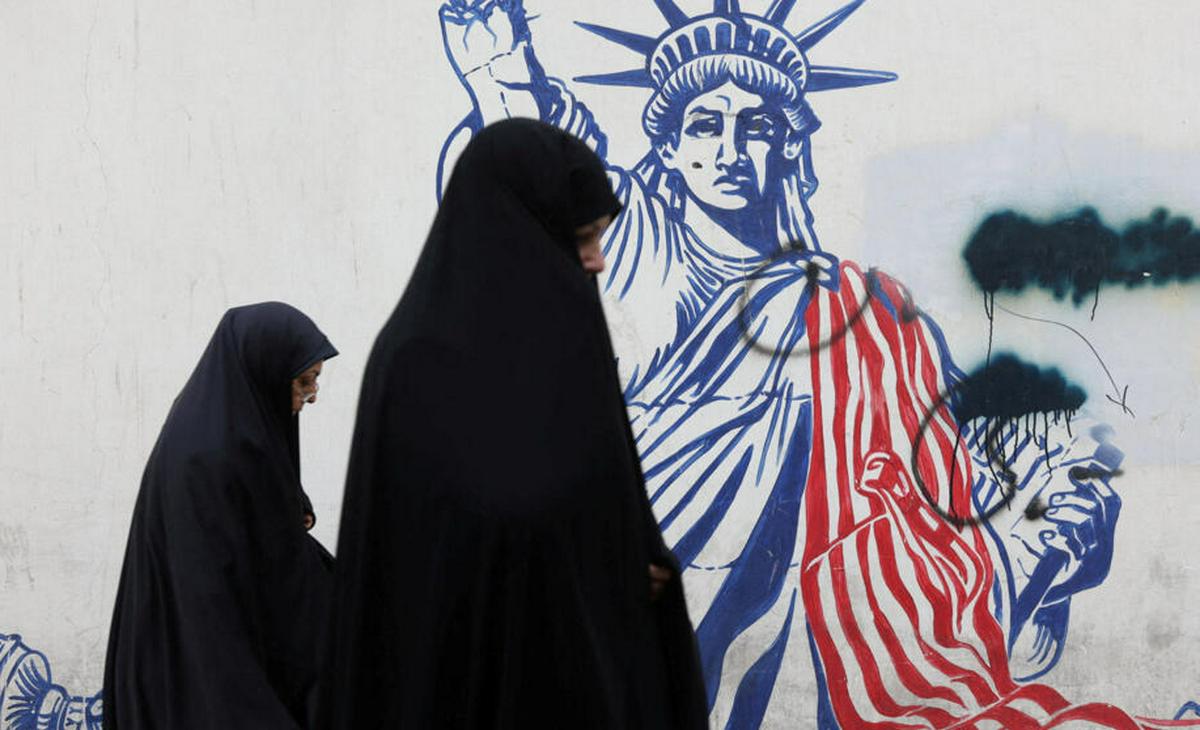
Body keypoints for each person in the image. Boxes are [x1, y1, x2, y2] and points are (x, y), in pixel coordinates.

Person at [320, 118, 708, 729]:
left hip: (577, 680)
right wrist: (590, 557)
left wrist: (637, 559)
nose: (597, 261)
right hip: (456, 688)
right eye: (582, 237)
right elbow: (432, 551)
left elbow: (607, 496)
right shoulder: (415, 362)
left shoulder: (571, 350)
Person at [103, 302, 338, 729]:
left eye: (315, 381)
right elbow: (208, 599)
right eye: (304, 381)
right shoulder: (205, 459)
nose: (312, 395)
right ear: (266, 372)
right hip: (205, 674)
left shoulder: (236, 441)